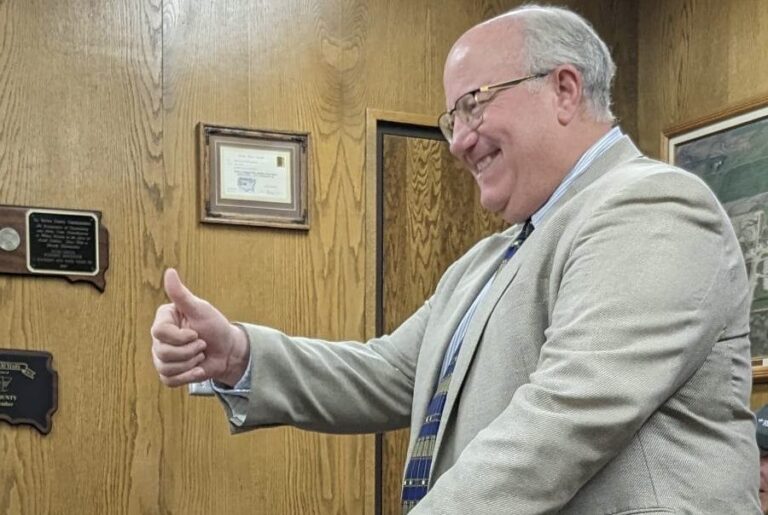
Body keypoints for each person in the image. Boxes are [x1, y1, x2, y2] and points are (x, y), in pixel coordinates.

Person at [151, 4, 761, 513]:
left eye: (475, 104)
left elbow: (567, 415)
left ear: (564, 90)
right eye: (452, 120)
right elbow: (387, 373)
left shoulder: (650, 205)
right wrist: (236, 355)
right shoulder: (485, 261)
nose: (460, 141)